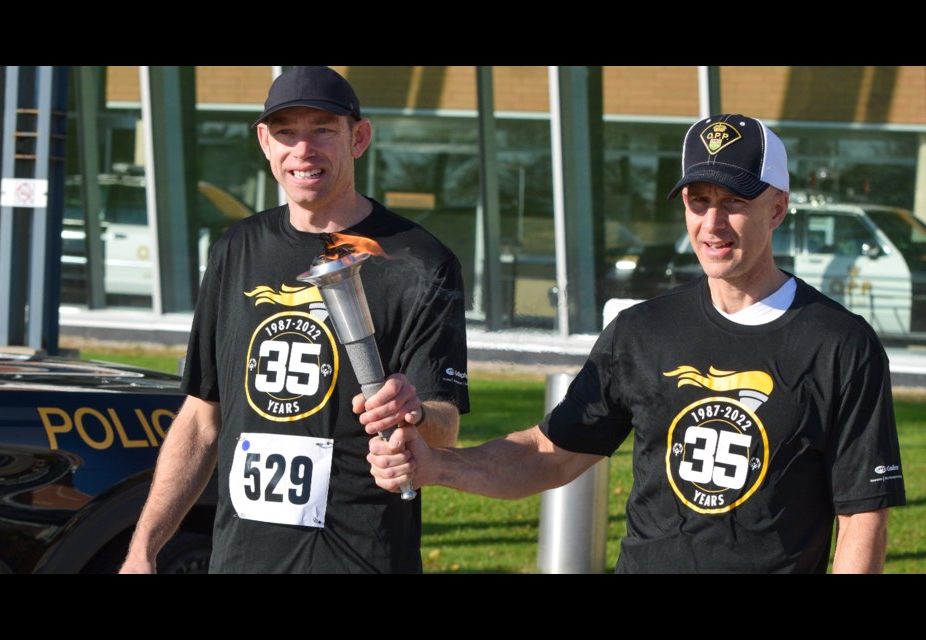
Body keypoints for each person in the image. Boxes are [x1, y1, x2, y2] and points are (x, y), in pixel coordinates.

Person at [368, 114, 907, 573]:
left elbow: (862, 516)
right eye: (699, 201)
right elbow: (549, 453)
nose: (713, 223)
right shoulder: (643, 331)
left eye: (735, 201)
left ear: (778, 208)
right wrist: (437, 466)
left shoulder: (840, 345)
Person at [120, 66, 469, 574]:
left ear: (359, 137)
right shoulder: (235, 250)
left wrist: (414, 413)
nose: (303, 149)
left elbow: (445, 425)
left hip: (361, 558)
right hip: (242, 559)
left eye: (323, 129)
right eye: (286, 132)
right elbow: (201, 418)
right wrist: (142, 550)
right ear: (265, 142)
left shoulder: (420, 260)